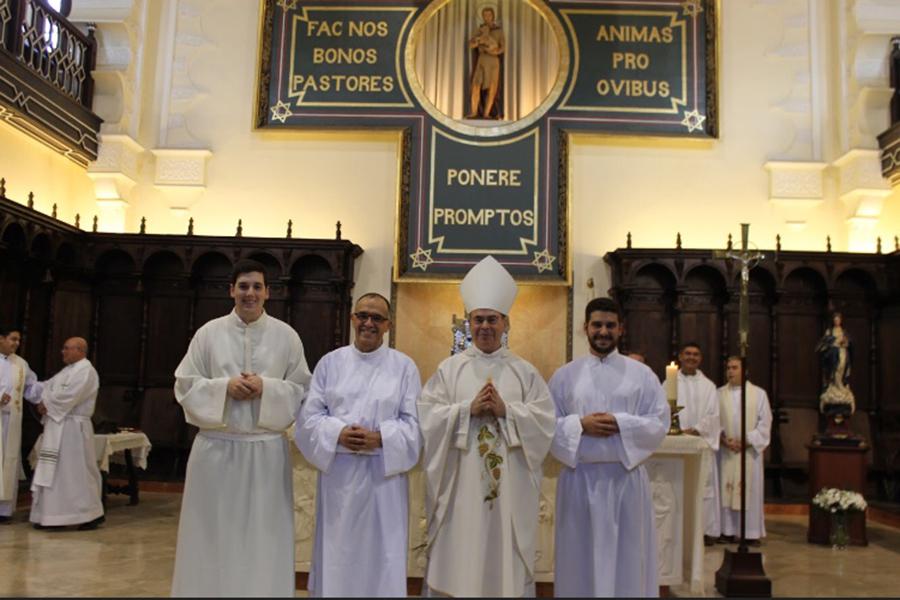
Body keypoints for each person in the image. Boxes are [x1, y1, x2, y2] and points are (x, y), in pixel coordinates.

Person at [171, 259, 312, 597]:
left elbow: (302, 390)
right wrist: (224, 388)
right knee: (210, 531)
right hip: (216, 450)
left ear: (268, 293)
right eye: (244, 286)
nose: (250, 293)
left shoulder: (286, 337)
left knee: (264, 533)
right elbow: (185, 385)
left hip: (265, 451)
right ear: (231, 290)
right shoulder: (208, 334)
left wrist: (267, 387)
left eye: (257, 287)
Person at [418, 255, 555, 597]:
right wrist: (467, 410)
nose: (484, 327)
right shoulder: (450, 370)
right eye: (478, 319)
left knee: (502, 560)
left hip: (509, 492)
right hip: (461, 488)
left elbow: (545, 423)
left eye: (492, 320)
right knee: (462, 553)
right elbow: (427, 418)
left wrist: (508, 411)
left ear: (506, 323)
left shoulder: (525, 373)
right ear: (468, 322)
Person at [296, 292, 421, 597]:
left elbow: (417, 426)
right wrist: (338, 432)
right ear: (352, 319)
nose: (369, 323)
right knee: (339, 554)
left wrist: (380, 438)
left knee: (383, 555)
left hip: (384, 481)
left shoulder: (404, 367)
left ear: (388, 325)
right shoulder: (330, 363)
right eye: (363, 315)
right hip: (340, 480)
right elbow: (308, 419)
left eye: (377, 318)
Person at [549, 297, 669, 597]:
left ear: (621, 329)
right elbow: (547, 426)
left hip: (624, 481)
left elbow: (658, 423)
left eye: (610, 325)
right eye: (597, 325)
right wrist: (580, 425)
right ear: (585, 328)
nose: (603, 331)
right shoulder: (565, 376)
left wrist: (621, 423)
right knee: (579, 559)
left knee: (629, 559)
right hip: (579, 480)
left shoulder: (642, 376)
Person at [29, 337, 104, 530]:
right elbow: (47, 387)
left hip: (73, 430)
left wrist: (46, 403)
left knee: (74, 473)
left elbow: (69, 396)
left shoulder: (85, 371)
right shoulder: (67, 371)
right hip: (58, 425)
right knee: (56, 473)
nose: (63, 352)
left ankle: (86, 515)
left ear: (80, 350)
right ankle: (52, 515)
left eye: (67, 348)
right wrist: (26, 386)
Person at [717, 356, 772, 545]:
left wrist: (746, 441)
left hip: (748, 453)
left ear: (744, 370)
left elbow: (765, 424)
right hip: (726, 451)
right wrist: (723, 440)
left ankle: (749, 532)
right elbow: (712, 421)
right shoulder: (719, 394)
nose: (730, 371)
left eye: (734, 367)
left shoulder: (758, 394)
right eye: (728, 368)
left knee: (748, 491)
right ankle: (727, 530)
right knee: (726, 489)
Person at [676, 341, 721, 545]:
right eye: (687, 354)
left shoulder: (709, 386)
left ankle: (703, 531)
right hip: (677, 445)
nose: (691, 357)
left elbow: (713, 416)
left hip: (701, 443)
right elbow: (660, 410)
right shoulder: (668, 382)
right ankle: (678, 529)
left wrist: (693, 429)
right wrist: (677, 430)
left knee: (704, 488)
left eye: (695, 354)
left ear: (700, 359)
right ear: (680, 357)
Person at [0, 326, 43, 523]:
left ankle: (4, 510)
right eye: (13, 339)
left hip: (13, 421)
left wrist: (48, 396)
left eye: (18, 340)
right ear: (1, 339)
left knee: (9, 462)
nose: (17, 343)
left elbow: (32, 387)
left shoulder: (20, 363)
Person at [466, 6, 505, 119]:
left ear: (493, 16)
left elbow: (503, 47)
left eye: (489, 15)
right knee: (476, 85)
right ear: (482, 16)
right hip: (482, 60)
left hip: (493, 61)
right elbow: (471, 44)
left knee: (492, 87)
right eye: (485, 15)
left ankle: (487, 113)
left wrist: (494, 50)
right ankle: (474, 112)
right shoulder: (480, 29)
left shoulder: (499, 30)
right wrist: (478, 41)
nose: (487, 17)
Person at [815, 311, 855, 413]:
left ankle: (841, 385)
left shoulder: (844, 331)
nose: (837, 321)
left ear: (841, 321)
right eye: (835, 319)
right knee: (835, 369)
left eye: (838, 319)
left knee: (842, 368)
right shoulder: (829, 331)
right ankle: (835, 385)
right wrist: (833, 342)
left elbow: (849, 344)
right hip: (833, 355)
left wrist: (845, 342)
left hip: (842, 353)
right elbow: (823, 344)